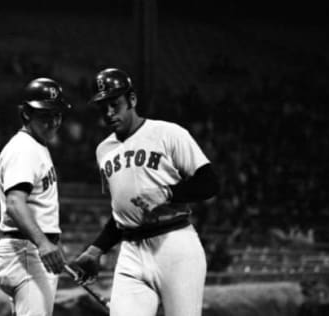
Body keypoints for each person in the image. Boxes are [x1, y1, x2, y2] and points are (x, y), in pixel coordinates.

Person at [70, 68, 219, 316]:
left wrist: (167, 193)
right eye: (102, 106)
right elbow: (122, 213)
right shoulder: (103, 150)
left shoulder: (168, 133)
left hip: (175, 244)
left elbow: (210, 183)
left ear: (132, 100)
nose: (108, 113)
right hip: (130, 251)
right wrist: (96, 250)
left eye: (115, 104)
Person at [0, 77, 71, 316]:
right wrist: (43, 243)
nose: (53, 122)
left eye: (57, 115)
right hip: (27, 250)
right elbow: (15, 203)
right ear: (26, 113)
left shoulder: (35, 146)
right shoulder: (24, 148)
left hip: (27, 250)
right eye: (45, 115)